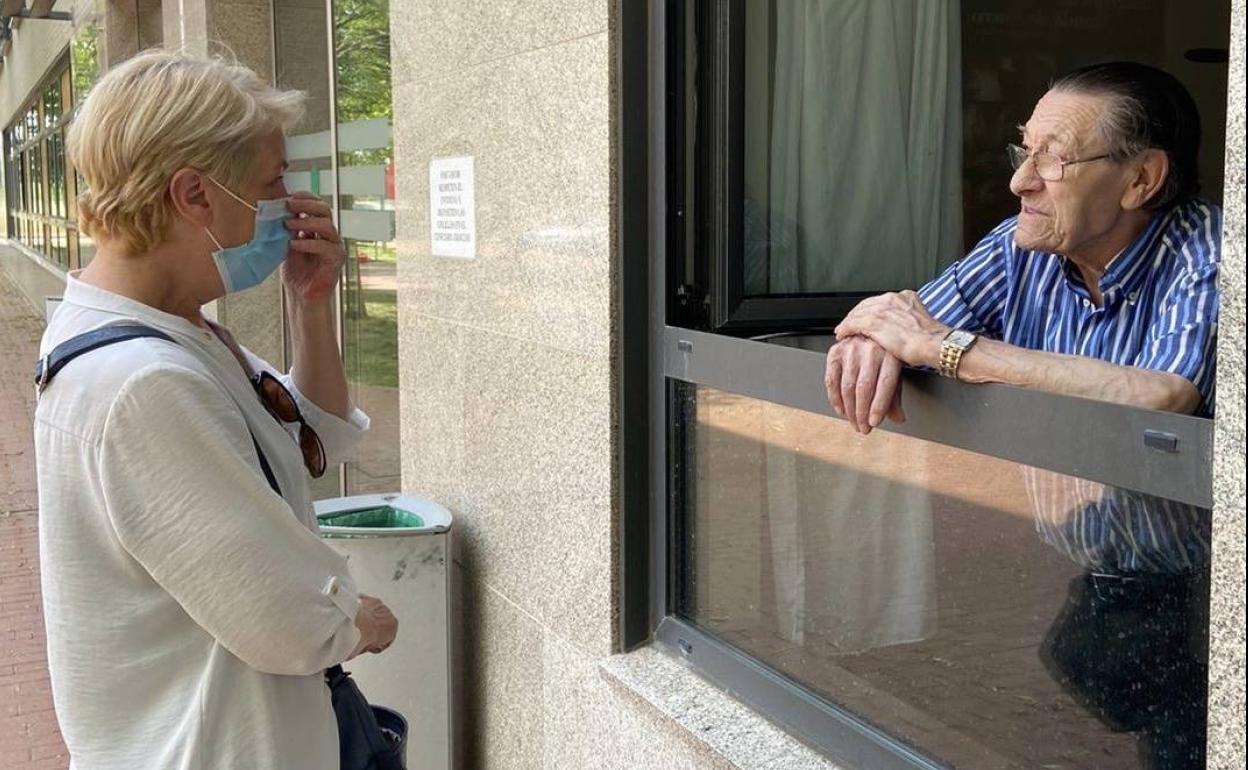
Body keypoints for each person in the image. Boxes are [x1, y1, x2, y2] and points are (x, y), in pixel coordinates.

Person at [824, 61, 1220, 769]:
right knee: (1087, 672)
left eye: (1054, 158)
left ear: (1142, 180)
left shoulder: (1205, 251)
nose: (1020, 180)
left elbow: (1162, 392)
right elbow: (914, 322)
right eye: (1023, 148)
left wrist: (943, 348)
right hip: (1089, 558)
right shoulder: (1021, 246)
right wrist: (869, 334)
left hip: (1201, 591)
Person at [33, 51, 398, 769]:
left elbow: (308, 437)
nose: (289, 203)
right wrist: (360, 619)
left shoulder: (169, 330)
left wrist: (310, 307)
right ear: (195, 195)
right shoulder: (142, 381)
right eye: (272, 182)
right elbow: (290, 622)